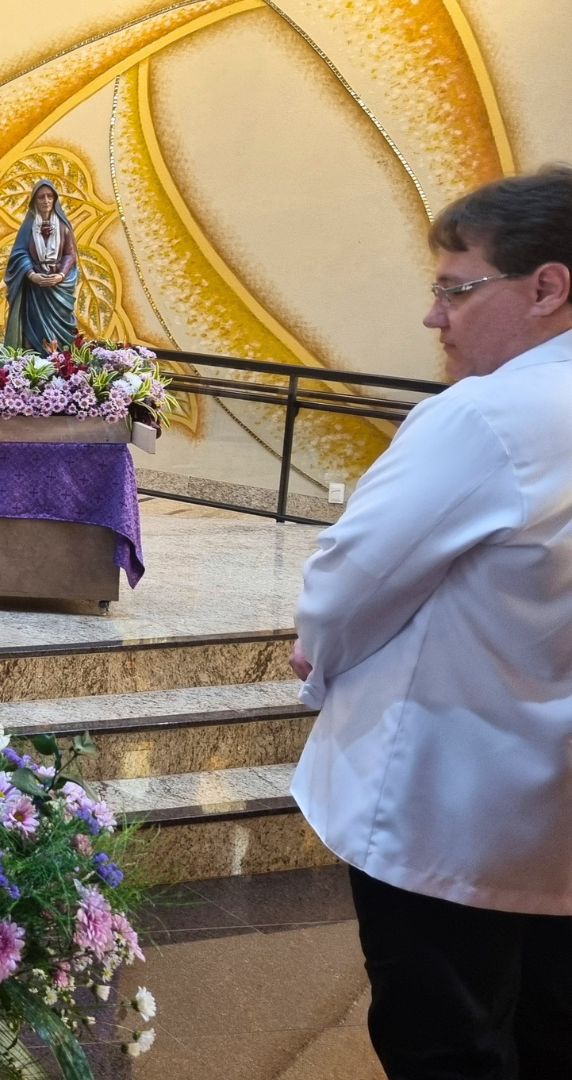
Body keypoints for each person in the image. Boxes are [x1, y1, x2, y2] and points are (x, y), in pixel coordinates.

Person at [289, 166, 572, 1079]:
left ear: (547, 287)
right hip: (553, 809)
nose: (433, 317)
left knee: (445, 1042)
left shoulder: (487, 417)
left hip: (446, 804)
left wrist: (318, 658)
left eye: (456, 289)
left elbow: (350, 582)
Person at [3, 179, 78, 353]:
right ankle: (34, 358)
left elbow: (70, 254)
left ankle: (61, 359)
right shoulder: (28, 227)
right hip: (35, 288)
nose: (46, 201)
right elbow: (19, 253)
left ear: (55, 199)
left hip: (57, 286)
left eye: (50, 196)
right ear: (34, 201)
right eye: (41, 197)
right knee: (34, 326)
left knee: (61, 326)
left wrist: (60, 275)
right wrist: (31, 275)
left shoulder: (63, 227)